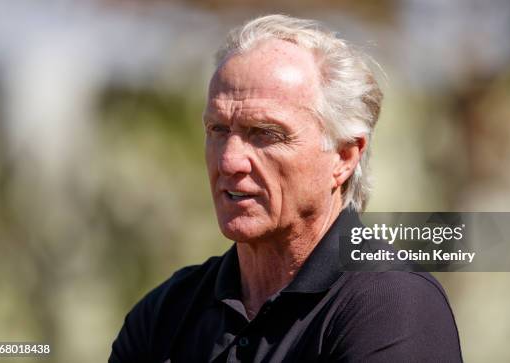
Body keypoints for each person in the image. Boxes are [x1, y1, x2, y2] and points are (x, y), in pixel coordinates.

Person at [109, 14, 462, 363]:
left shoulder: (390, 304)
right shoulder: (167, 312)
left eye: (265, 134)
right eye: (217, 130)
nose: (229, 161)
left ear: (344, 156)